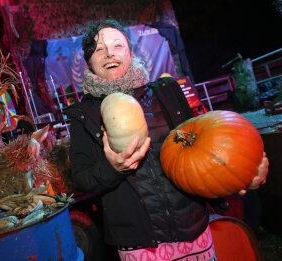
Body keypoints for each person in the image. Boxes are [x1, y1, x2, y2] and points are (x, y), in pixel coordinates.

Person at [64, 19, 269, 260]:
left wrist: (242, 170)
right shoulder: (82, 115)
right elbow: (82, 180)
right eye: (99, 49)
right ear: (89, 62)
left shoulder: (167, 91)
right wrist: (114, 168)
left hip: (194, 230)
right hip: (140, 246)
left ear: (130, 52)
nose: (109, 53)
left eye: (117, 45)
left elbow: (203, 153)